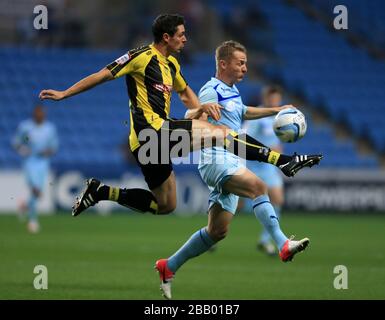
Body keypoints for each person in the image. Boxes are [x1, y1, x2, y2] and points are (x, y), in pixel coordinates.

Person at [39, 14, 320, 219]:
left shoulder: (171, 64)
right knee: (222, 135)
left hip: (153, 143)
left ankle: (101, 192)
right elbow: (102, 74)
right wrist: (65, 93)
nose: (186, 39)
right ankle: (283, 161)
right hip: (152, 133)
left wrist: (202, 110)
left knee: (166, 206)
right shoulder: (140, 56)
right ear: (166, 37)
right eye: (181, 34)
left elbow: (186, 95)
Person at [154, 40, 322, 299]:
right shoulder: (211, 90)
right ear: (224, 64)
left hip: (231, 160)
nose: (245, 68)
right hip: (215, 158)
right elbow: (191, 118)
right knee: (258, 187)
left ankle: (168, 266)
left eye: (245, 63)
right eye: (240, 63)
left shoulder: (231, 91)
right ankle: (282, 243)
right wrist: (198, 111)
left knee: (217, 231)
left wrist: (276, 110)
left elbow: (243, 112)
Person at [242, 86, 286, 256]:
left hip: (268, 167)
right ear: (266, 99)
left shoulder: (281, 118)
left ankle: (265, 240)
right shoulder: (258, 117)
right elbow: (245, 137)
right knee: (235, 204)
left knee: (278, 200)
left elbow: (277, 142)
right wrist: (269, 149)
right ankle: (212, 234)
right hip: (252, 165)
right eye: (273, 99)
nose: (276, 102)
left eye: (278, 99)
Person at [12, 105, 59, 233]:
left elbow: (54, 147)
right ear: (34, 113)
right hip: (29, 162)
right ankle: (33, 220)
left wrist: (47, 151)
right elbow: (16, 142)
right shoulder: (25, 127)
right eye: (37, 112)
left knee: (37, 192)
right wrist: (22, 149)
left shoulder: (50, 128)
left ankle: (25, 206)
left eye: (42, 113)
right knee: (36, 190)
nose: (40, 115)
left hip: (43, 163)